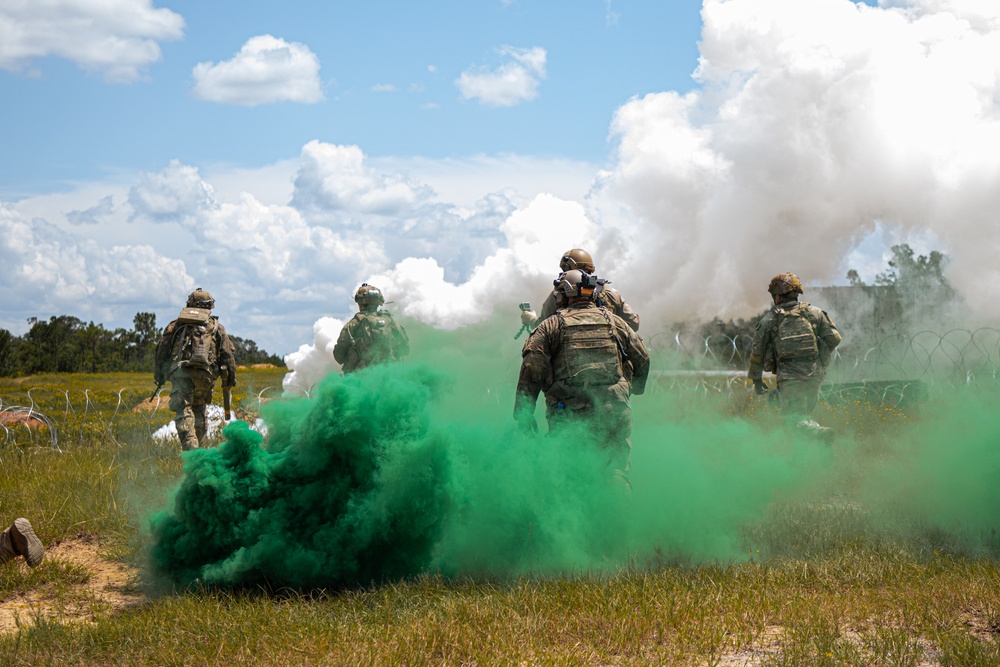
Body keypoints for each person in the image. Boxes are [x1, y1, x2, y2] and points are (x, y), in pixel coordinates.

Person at [514, 269, 650, 484]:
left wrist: (524, 413)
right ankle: (619, 514)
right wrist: (631, 390)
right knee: (614, 469)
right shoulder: (617, 323)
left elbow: (531, 368)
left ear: (565, 294)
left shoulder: (550, 325)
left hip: (569, 414)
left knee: (570, 473)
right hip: (614, 409)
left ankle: (575, 516)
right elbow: (642, 359)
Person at [747, 272, 842, 443]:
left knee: (792, 419)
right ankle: (804, 459)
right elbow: (834, 339)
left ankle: (820, 434)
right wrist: (820, 361)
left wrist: (756, 379)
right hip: (815, 376)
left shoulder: (770, 319)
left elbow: (758, 352)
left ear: (777, 296)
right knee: (803, 416)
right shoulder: (815, 313)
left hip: (790, 379)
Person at [154, 288, 237, 451]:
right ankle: (201, 455)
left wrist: (160, 376)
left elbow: (162, 351)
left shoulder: (176, 325)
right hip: (205, 375)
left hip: (180, 374)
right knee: (199, 411)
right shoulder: (216, 327)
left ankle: (192, 452)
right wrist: (229, 380)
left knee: (184, 412)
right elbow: (227, 355)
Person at [521, 249, 641, 332]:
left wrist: (531, 318)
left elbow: (541, 328)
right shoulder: (611, 292)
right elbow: (633, 323)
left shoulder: (560, 293)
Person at [334, 283, 410, 373]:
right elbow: (405, 349)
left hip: (360, 379)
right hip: (390, 376)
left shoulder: (352, 325)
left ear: (360, 304)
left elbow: (339, 356)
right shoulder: (391, 321)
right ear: (378, 302)